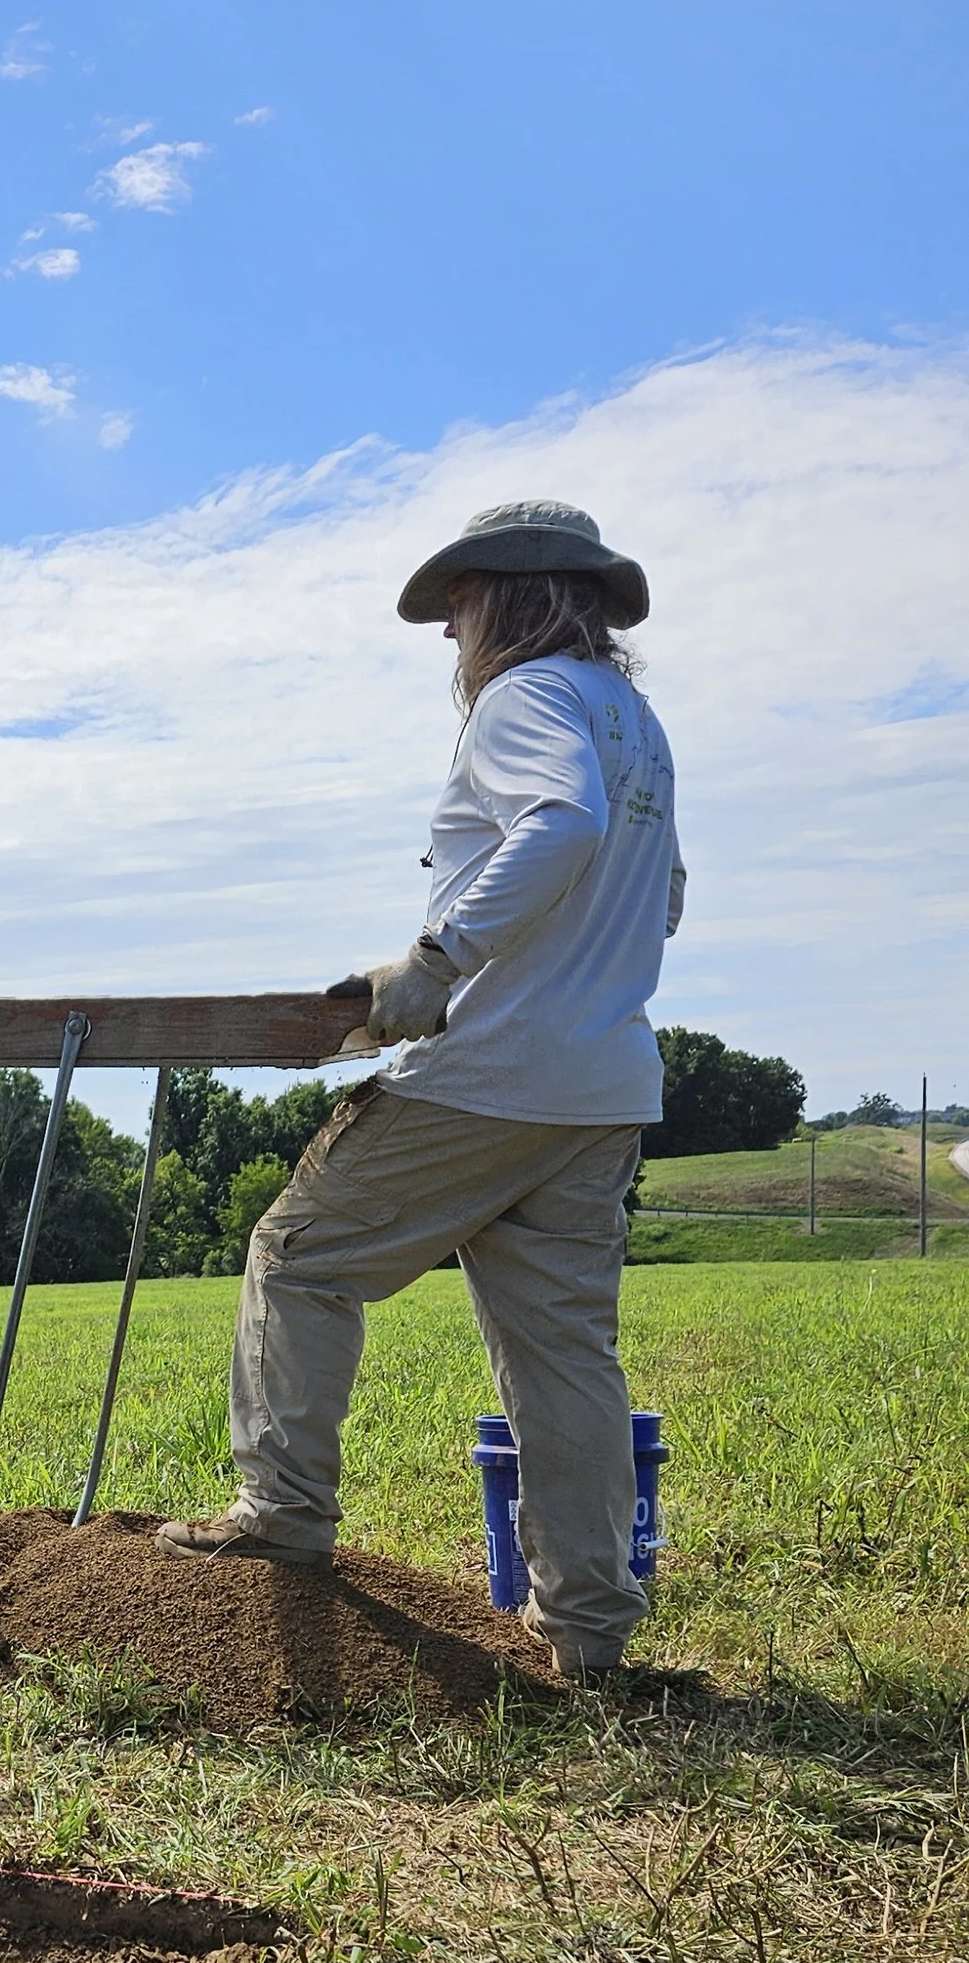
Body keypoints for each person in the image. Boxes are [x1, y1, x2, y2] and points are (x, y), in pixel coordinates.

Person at [157, 499, 683, 1679]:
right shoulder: (635, 723)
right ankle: (586, 1630)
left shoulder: (525, 697)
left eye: (458, 604)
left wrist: (439, 959)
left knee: (299, 1255)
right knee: (562, 1356)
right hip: (600, 1084)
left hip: (489, 1074)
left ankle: (281, 1513)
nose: (450, 633)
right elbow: (662, 894)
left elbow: (560, 825)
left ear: (508, 595)